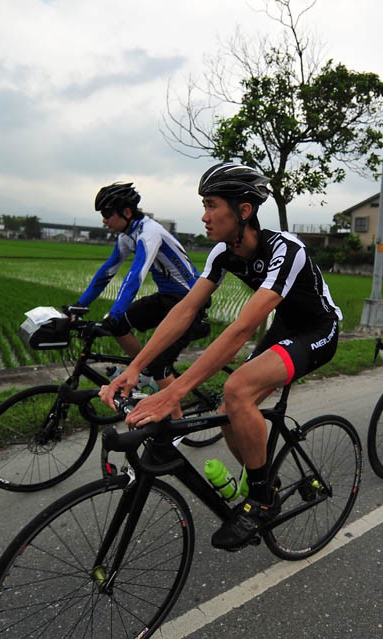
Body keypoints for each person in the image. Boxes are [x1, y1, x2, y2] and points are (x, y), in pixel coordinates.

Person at [100, 162, 342, 551]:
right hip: (284, 331)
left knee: (237, 387)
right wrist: (135, 367)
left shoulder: (286, 250)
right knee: (231, 407)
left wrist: (174, 392)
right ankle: (262, 477)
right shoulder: (223, 252)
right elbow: (184, 310)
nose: (204, 215)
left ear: (243, 210)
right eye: (203, 205)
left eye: (212, 205)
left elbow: (242, 328)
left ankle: (261, 499)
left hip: (317, 330)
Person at [75, 182, 203, 416]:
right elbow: (107, 272)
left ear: (126, 212)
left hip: (191, 300)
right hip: (168, 297)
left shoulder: (149, 232)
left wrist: (113, 313)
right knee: (122, 325)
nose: (104, 220)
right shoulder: (126, 236)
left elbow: (136, 276)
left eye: (106, 214)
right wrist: (80, 304)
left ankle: (175, 425)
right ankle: (142, 371)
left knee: (159, 365)